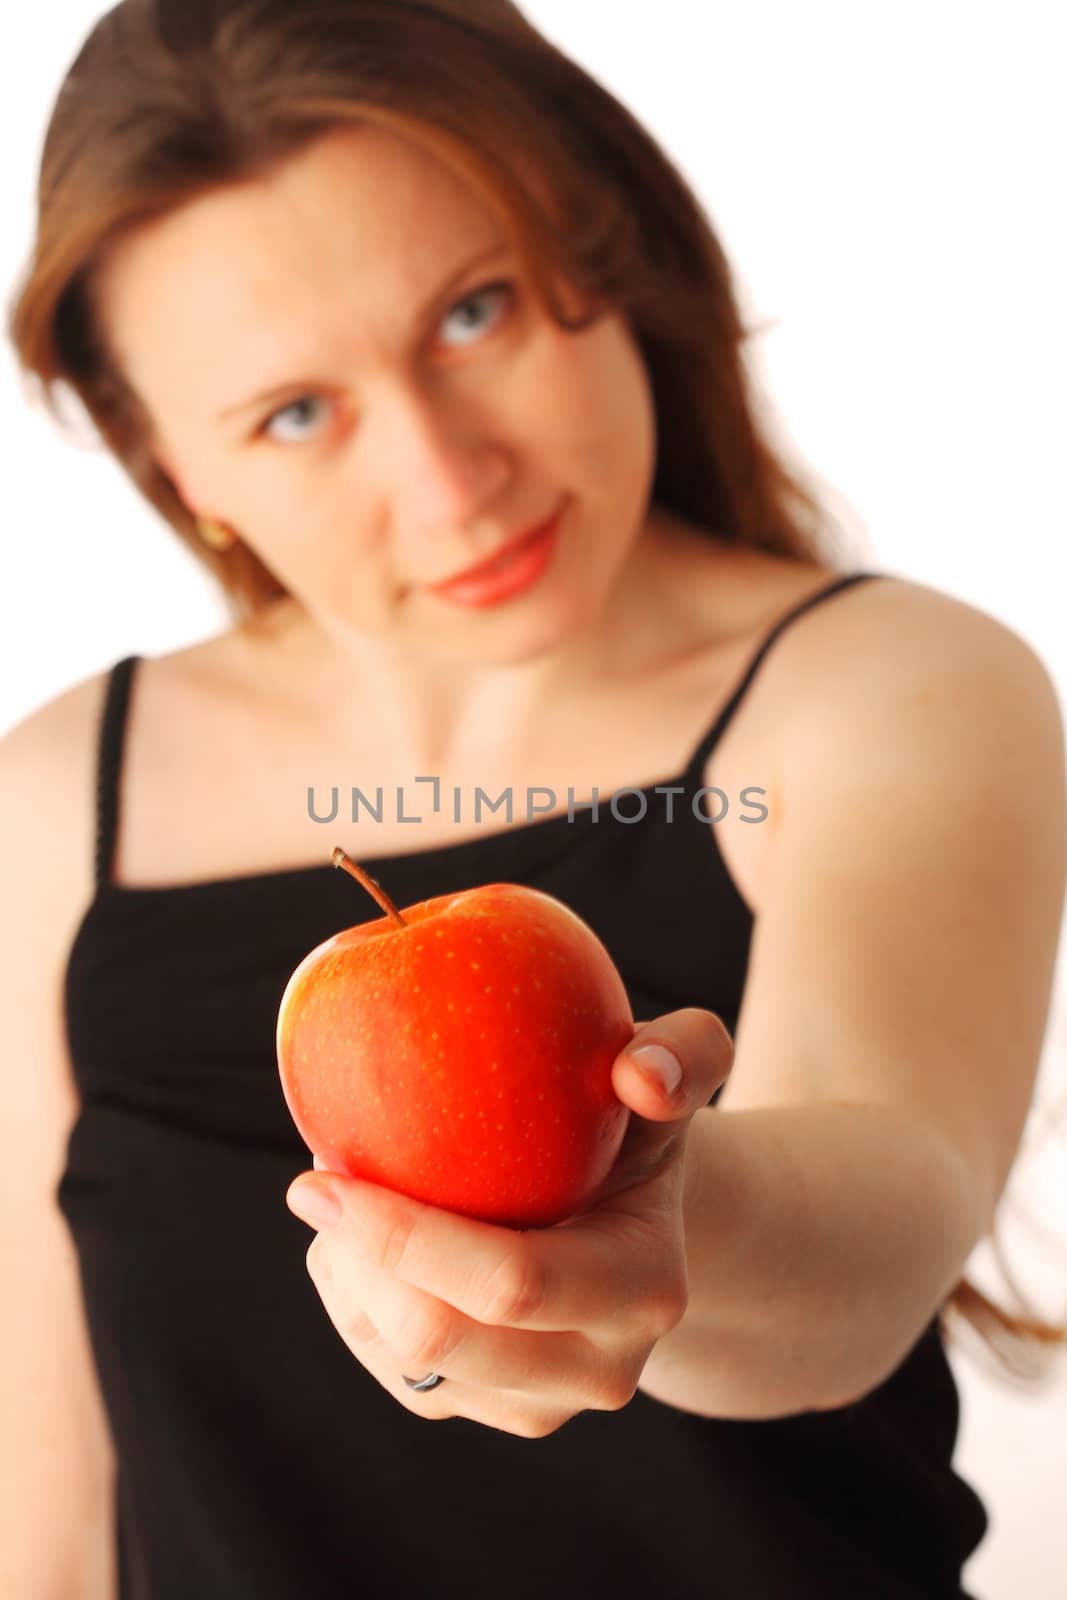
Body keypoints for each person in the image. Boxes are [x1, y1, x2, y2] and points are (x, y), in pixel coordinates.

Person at [3, 2, 1065, 1596]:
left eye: (476, 311)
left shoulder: (888, 685)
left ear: (607, 250)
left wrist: (677, 1214)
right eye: (297, 414)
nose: (449, 477)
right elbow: (45, 1506)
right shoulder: (50, 801)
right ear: (173, 467)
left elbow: (889, 1205)